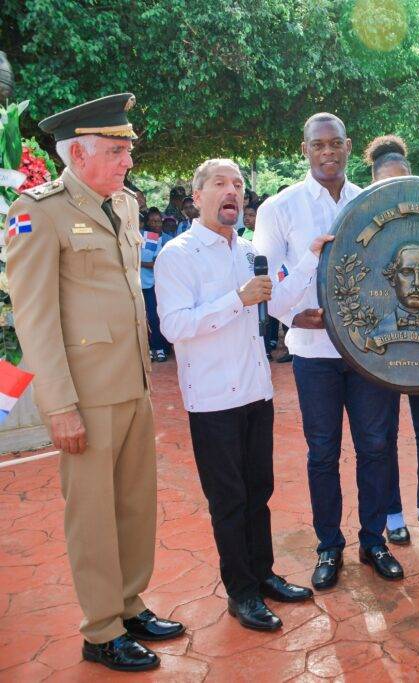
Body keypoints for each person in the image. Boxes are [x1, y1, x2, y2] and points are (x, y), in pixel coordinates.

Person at [5, 93, 183, 672]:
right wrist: (58, 406)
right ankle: (101, 628)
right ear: (77, 155)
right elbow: (34, 317)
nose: (127, 160)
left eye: (127, 149)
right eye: (115, 150)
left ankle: (129, 606)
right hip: (83, 394)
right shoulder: (39, 211)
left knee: (134, 505)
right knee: (92, 514)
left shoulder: (124, 206)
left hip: (131, 384)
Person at [155, 158, 317, 631]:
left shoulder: (248, 252)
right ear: (198, 195)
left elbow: (279, 298)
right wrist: (238, 300)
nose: (233, 191)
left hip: (255, 392)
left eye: (239, 185)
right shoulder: (178, 254)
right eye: (221, 184)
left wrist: (309, 257)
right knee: (228, 499)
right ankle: (241, 593)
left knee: (259, 491)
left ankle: (263, 574)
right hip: (211, 400)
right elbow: (174, 326)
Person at [253, 112, 404, 586]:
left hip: (368, 353)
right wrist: (291, 314)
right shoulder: (281, 208)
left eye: (334, 144)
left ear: (347, 145)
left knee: (376, 447)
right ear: (304, 149)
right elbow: (269, 284)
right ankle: (329, 547)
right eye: (317, 145)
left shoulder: (371, 201)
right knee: (322, 451)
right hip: (314, 353)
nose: (326, 152)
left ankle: (374, 541)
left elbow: (390, 272)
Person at [360, 135, 419, 544]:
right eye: (387, 182)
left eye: (403, 181)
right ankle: (393, 511)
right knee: (385, 435)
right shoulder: (360, 219)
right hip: (380, 352)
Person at [140, 209, 170, 363]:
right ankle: (148, 349)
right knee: (140, 319)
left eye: (158, 221)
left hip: (150, 285)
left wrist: (137, 262)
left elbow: (155, 263)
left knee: (153, 317)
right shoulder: (132, 236)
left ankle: (158, 348)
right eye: (152, 221)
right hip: (135, 286)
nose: (156, 224)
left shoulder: (152, 239)